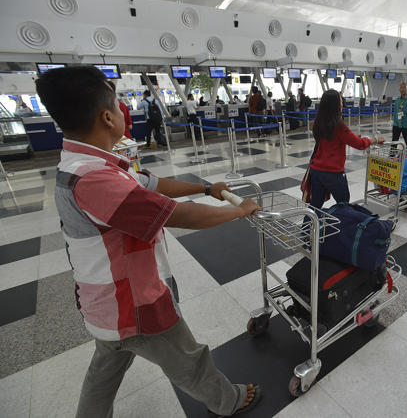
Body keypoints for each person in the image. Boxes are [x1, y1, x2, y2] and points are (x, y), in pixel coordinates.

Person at [35, 66, 262, 418]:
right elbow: (181, 215)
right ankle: (227, 401)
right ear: (107, 117)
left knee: (105, 370)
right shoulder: (95, 179)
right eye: (119, 101)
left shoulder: (85, 163)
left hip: (103, 302)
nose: (124, 108)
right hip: (134, 303)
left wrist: (206, 188)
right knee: (189, 359)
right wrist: (241, 210)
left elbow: (148, 182)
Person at [308, 89, 384, 209]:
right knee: (343, 203)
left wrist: (349, 139)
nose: (342, 103)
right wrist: (375, 139)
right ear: (335, 104)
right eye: (340, 100)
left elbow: (330, 142)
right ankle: (343, 227)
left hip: (316, 170)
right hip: (333, 173)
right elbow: (359, 144)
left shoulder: (317, 122)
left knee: (315, 205)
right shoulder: (338, 124)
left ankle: (307, 227)